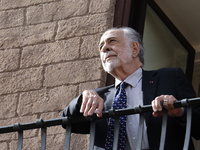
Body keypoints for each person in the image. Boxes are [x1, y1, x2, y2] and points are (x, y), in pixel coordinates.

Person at [62, 27, 200, 150]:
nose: (104, 48)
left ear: (134, 49)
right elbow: (68, 123)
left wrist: (180, 111)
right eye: (101, 46)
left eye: (112, 41)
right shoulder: (99, 98)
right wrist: (81, 99)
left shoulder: (170, 77)